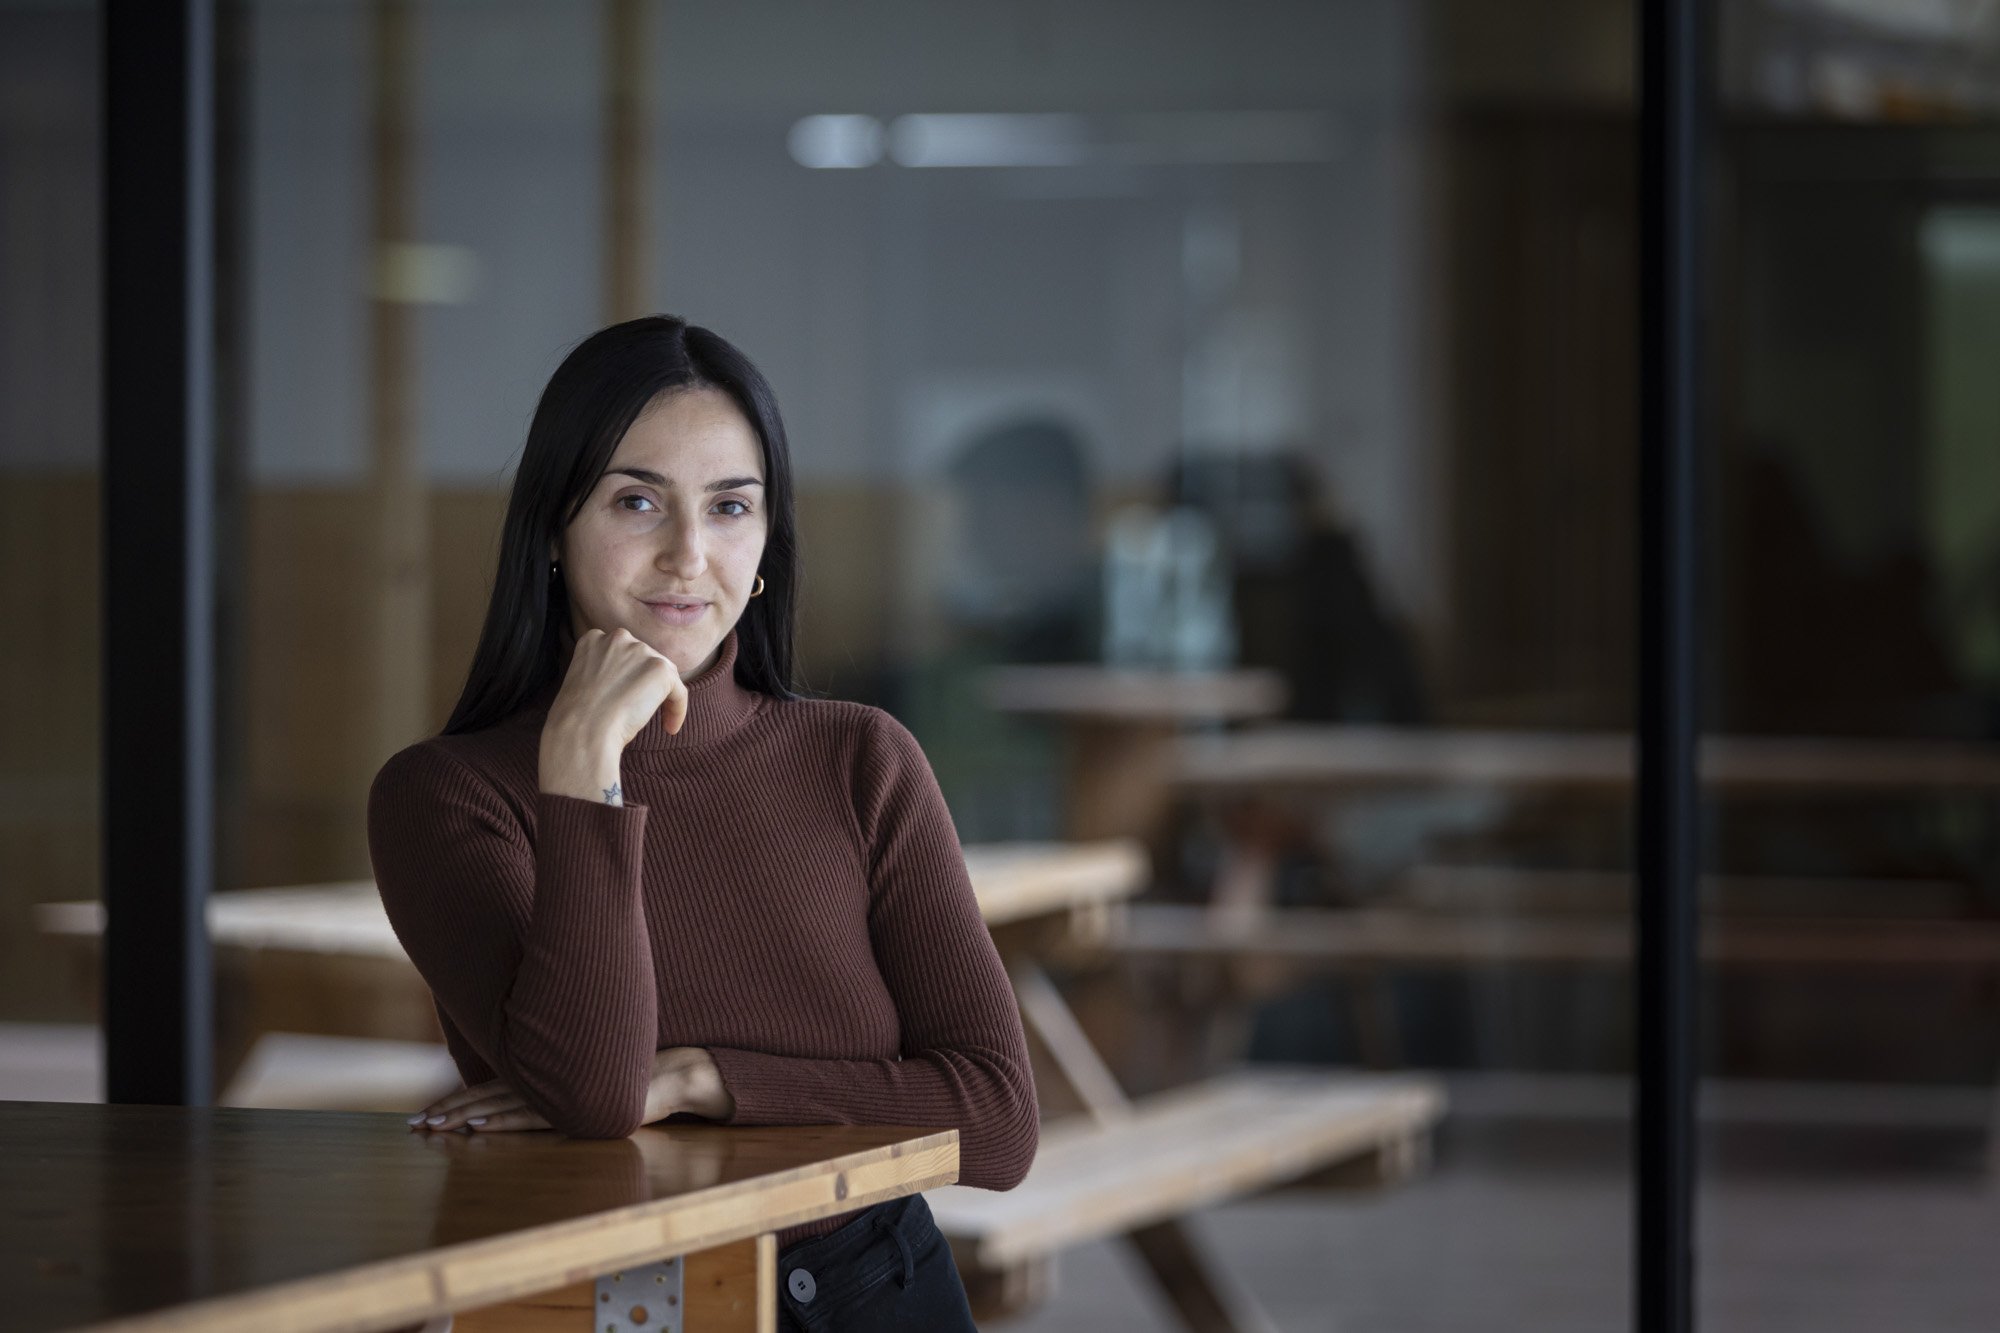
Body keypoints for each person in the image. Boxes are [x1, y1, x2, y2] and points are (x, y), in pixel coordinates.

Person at [366, 315, 1034, 1331]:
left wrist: (703, 1078)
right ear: (553, 526)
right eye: (637, 501)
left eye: (729, 507)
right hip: (627, 1301)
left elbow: (995, 1116)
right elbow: (592, 1093)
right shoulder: (445, 795)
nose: (688, 554)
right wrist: (582, 767)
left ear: (765, 546)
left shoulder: (860, 757)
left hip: (879, 1285)